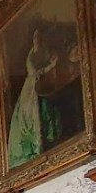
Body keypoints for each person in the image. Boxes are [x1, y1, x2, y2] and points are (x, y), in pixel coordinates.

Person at [7, 26, 59, 168]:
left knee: (47, 108)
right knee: (29, 112)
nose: (38, 40)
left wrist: (53, 62)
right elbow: (35, 72)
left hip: (43, 83)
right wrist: (50, 66)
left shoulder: (45, 51)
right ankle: (35, 144)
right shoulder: (30, 56)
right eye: (35, 37)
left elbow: (50, 59)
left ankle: (49, 136)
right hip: (31, 85)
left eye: (39, 37)